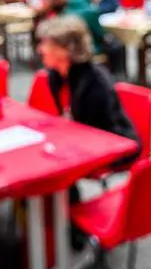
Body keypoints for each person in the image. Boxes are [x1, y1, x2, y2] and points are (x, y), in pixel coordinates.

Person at [37, 15, 139, 163]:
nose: (40, 49)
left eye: (46, 44)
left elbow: (96, 132)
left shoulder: (95, 83)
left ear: (66, 50)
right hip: (82, 138)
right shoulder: (56, 75)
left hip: (113, 144)